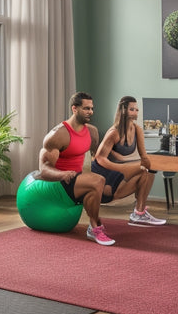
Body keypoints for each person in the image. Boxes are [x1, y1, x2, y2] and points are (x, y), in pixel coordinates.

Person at [34, 92, 115, 245]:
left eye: (92, 108)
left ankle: (95, 225)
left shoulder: (92, 132)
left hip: (76, 180)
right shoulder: (58, 135)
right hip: (58, 183)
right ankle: (95, 227)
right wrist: (62, 174)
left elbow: (95, 158)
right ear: (74, 109)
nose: (90, 112)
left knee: (104, 182)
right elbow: (44, 169)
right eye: (86, 108)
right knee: (98, 181)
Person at [91, 96, 166, 226]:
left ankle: (139, 213)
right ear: (123, 110)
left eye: (137, 110)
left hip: (120, 175)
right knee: (144, 170)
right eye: (132, 109)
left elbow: (144, 157)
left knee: (150, 168)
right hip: (105, 178)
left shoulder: (137, 130)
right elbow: (99, 158)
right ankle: (138, 213)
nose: (135, 113)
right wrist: (124, 168)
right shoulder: (114, 132)